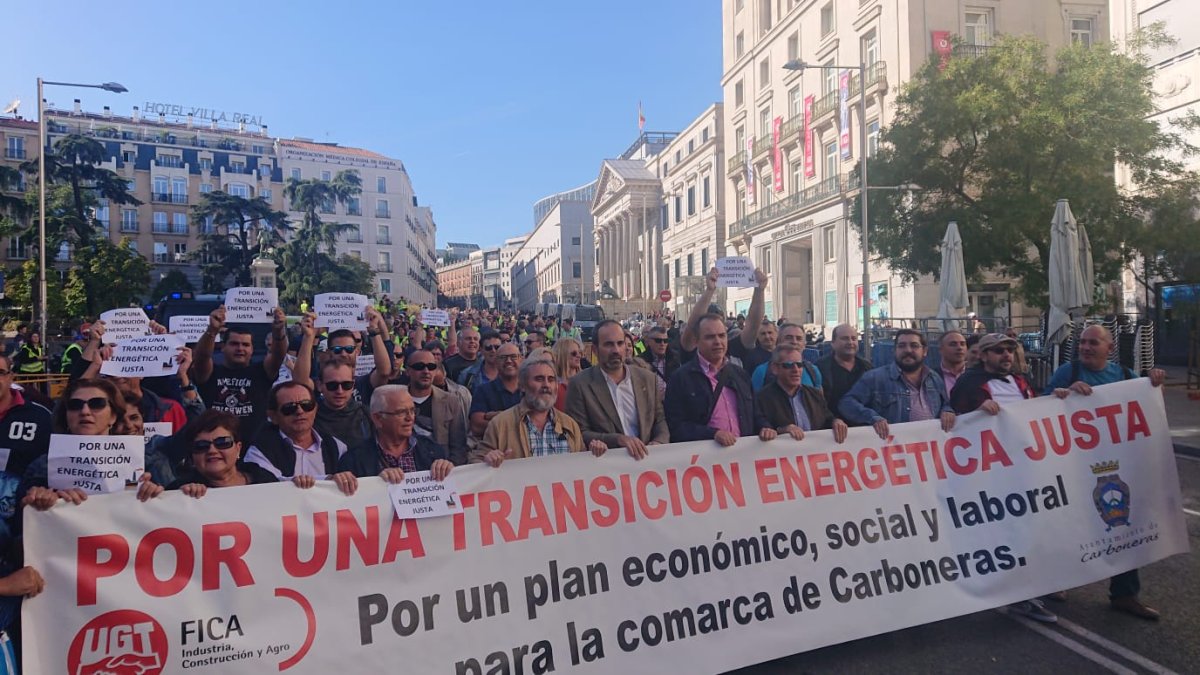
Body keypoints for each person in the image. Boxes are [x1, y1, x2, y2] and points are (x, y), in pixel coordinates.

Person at [1045, 324, 1167, 621]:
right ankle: (1058, 582)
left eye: (1093, 343)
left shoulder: (1125, 376)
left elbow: (1143, 407)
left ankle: (1125, 594)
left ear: (1109, 348)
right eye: (1082, 342)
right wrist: (1062, 394)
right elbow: (1042, 407)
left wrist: (1153, 382)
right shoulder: (1067, 372)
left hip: (1117, 465)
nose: (1085, 347)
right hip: (1075, 464)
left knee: (1123, 525)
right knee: (1072, 523)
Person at [20, 379, 161, 509]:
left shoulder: (147, 462)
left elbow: (174, 509)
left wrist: (155, 493)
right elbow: (18, 525)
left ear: (113, 416)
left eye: (97, 404)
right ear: (66, 416)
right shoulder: (42, 467)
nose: (85, 411)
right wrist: (38, 501)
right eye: (75, 405)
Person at [664, 313, 774, 445]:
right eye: (710, 337)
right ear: (697, 341)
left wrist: (765, 427)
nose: (717, 342)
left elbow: (756, 414)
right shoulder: (681, 378)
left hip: (743, 458)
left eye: (722, 335)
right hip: (703, 461)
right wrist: (713, 434)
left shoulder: (740, 375)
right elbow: (676, 426)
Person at [565, 320, 669, 460]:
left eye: (620, 343)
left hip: (647, 466)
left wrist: (658, 442)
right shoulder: (580, 384)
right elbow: (578, 432)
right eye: (609, 344)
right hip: (606, 469)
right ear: (595, 350)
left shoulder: (648, 379)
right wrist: (618, 439)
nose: (616, 350)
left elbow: (660, 420)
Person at [472, 358, 604, 465]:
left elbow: (581, 468)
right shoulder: (500, 424)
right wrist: (488, 460)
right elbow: (474, 464)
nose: (546, 385)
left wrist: (595, 453)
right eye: (539, 379)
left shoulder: (569, 425)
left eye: (551, 379)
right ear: (522, 386)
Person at [192, 305, 288, 440]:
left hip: (253, 449)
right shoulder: (210, 372)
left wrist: (278, 332)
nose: (240, 348)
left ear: (252, 349)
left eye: (246, 345)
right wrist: (212, 330)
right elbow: (201, 357)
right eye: (234, 344)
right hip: (216, 446)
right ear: (223, 347)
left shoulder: (261, 372)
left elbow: (278, 355)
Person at [839, 329, 956, 438]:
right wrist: (873, 418)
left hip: (927, 453)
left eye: (914, 346)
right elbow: (847, 403)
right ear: (894, 351)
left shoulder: (934, 378)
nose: (908, 350)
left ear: (924, 351)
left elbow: (945, 403)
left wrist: (947, 411)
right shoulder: (875, 378)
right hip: (892, 452)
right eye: (902, 346)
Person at [335, 385, 454, 482]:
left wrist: (448, 470)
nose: (410, 418)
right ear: (377, 418)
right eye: (401, 412)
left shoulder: (433, 451)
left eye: (412, 411)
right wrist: (376, 483)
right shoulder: (353, 460)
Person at [244, 381, 349, 481]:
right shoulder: (259, 451)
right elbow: (269, 485)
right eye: (289, 408)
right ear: (273, 416)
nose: (300, 411)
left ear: (315, 409)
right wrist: (327, 480)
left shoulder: (337, 448)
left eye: (306, 405)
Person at [167, 410, 281, 494]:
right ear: (192, 455)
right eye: (201, 446)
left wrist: (296, 488)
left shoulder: (263, 479)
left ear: (238, 448)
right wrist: (179, 497)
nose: (212, 450)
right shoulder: (179, 490)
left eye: (222, 443)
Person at [756, 345, 847, 443]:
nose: (796, 370)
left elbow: (827, 417)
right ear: (775, 368)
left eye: (799, 364)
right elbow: (759, 428)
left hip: (816, 455)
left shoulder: (815, 394)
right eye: (789, 365)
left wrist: (836, 422)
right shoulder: (762, 398)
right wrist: (781, 431)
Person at [403, 349, 468, 465]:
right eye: (419, 366)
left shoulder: (451, 401)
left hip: (443, 473)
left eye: (432, 366)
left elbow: (459, 447)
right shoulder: (396, 401)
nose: (426, 371)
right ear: (407, 371)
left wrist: (450, 469)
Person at [950, 333, 1037, 415]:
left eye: (1010, 350)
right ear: (984, 356)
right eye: (999, 351)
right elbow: (956, 416)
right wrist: (977, 411)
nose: (1006, 354)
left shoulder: (1021, 381)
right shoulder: (967, 382)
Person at [311, 359, 373, 449]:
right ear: (319, 385)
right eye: (332, 385)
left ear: (353, 385)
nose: (340, 391)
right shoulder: (310, 417)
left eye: (346, 385)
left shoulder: (367, 414)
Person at [468, 343, 524, 441]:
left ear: (521, 360)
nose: (508, 361)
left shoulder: (530, 389)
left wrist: (496, 416)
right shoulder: (483, 391)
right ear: (496, 362)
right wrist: (519, 420)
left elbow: (537, 421)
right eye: (503, 357)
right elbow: (477, 426)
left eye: (513, 357)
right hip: (494, 450)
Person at [815, 324, 872, 416]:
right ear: (833, 343)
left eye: (854, 339)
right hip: (831, 427)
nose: (850, 342)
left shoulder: (867, 367)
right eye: (845, 338)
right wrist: (832, 420)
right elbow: (816, 404)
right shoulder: (820, 368)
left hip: (864, 426)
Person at [751, 323, 821, 392]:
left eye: (799, 338)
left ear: (804, 344)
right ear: (778, 341)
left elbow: (819, 401)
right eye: (788, 338)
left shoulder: (813, 371)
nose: (794, 342)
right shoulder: (762, 372)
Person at [551, 337, 583, 410]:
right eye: (574, 353)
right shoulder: (551, 382)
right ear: (562, 354)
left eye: (580, 352)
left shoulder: (586, 380)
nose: (579, 356)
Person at [934, 330, 968, 396]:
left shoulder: (976, 374)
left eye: (962, 344)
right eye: (953, 344)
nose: (959, 348)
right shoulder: (931, 378)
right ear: (941, 349)